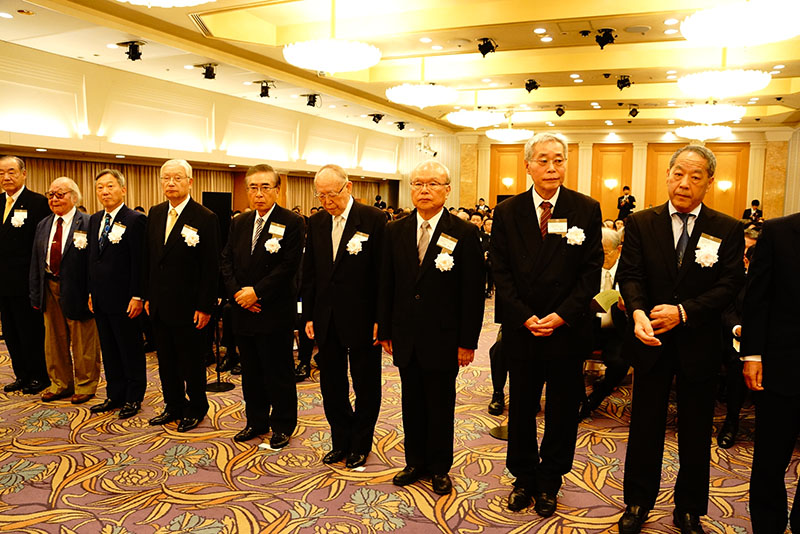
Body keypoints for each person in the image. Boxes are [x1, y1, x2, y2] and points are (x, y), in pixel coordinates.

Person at [616, 145, 744, 534]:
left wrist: (685, 311)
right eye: (678, 174)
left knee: (694, 428)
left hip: (698, 343)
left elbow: (730, 284)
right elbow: (631, 274)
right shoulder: (641, 222)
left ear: (709, 182)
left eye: (695, 176)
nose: (684, 183)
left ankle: (689, 508)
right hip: (651, 339)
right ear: (668, 175)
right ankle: (637, 502)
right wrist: (638, 311)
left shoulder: (727, 228)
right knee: (645, 426)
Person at [491, 133, 603, 517]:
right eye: (543, 160)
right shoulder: (507, 211)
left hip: (565, 329)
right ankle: (523, 478)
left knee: (561, 408)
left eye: (558, 160)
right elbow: (500, 272)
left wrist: (561, 316)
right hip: (523, 328)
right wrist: (524, 315)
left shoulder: (585, 208)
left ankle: (551, 479)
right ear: (527, 165)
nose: (551, 167)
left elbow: (591, 274)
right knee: (521, 406)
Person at [378, 160, 484, 496]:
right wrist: (385, 331)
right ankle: (415, 462)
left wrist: (467, 341)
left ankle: (439, 467)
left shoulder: (464, 232)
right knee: (411, 402)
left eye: (433, 184)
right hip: (405, 336)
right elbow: (386, 284)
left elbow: (472, 292)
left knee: (440, 404)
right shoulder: (394, 230)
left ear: (447, 189)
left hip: (444, 338)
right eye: (418, 183)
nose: (425, 190)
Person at [302, 164, 385, 468]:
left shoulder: (374, 219)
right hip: (326, 317)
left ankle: (361, 444)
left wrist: (381, 318)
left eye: (331, 194)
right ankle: (341, 441)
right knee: (331, 385)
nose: (326, 201)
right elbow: (310, 274)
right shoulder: (317, 222)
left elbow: (381, 275)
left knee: (365, 384)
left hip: (363, 319)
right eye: (320, 196)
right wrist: (309, 315)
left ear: (348, 188)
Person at [220, 164, 303, 448]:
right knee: (251, 372)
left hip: (274, 311)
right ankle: (256, 421)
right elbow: (227, 261)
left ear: (277, 190)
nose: (259, 193)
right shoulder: (240, 222)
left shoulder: (292, 222)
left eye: (265, 187)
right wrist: (238, 295)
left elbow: (288, 267)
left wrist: (257, 294)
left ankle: (282, 424)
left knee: (277, 372)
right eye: (253, 187)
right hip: (244, 311)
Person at [143, 159, 220, 433]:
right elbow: (151, 260)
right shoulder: (155, 213)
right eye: (166, 178)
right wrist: (148, 295)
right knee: (166, 360)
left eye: (177, 178)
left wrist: (205, 305)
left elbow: (211, 267)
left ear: (190, 181)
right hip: (160, 304)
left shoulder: (205, 217)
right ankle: (173, 405)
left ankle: (196, 407)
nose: (171, 183)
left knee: (191, 362)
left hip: (190, 307)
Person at [741, 212, 800, 534]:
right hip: (782, 365)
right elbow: (757, 299)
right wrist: (752, 354)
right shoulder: (779, 232)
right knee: (770, 461)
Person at [30, 177, 101, 404]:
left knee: (83, 341)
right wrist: (35, 292)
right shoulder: (43, 224)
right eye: (51, 194)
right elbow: (36, 260)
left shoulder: (88, 223)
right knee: (53, 340)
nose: (54, 199)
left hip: (78, 288)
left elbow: (94, 262)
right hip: (49, 287)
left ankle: (85, 385)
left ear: (73, 196)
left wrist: (93, 292)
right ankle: (60, 383)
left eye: (59, 194)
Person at [87, 169, 147, 419]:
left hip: (125, 300)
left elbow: (140, 262)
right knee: (109, 350)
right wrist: (91, 292)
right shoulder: (94, 220)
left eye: (110, 186)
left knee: (129, 349)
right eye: (100, 187)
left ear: (123, 189)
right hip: (101, 298)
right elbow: (93, 259)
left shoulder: (134, 219)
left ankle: (134, 397)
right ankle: (115, 394)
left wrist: (137, 296)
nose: (104, 191)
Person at [0, 155, 50, 395]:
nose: (6, 177)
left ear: (23, 174)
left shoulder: (37, 202)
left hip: (26, 282)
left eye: (11, 172)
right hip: (2, 283)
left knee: (30, 331)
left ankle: (39, 375)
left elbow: (40, 246)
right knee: (10, 332)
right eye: (1, 173)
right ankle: (22, 375)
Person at [579, 226, 630, 419]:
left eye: (605, 252)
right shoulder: (589, 269)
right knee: (570, 355)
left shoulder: (627, 272)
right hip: (590, 327)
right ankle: (581, 400)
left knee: (619, 363)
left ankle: (597, 397)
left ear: (618, 250)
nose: (600, 256)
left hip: (617, 330)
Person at [716, 227, 759, 448]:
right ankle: (731, 422)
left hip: (771, 345)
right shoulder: (738, 282)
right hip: (738, 341)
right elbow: (727, 311)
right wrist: (737, 328)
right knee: (735, 367)